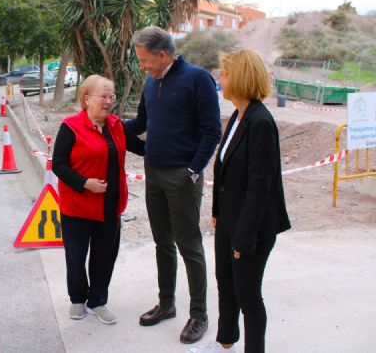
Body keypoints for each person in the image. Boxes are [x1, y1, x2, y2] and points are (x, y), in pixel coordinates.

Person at [188, 49, 291, 353]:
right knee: (226, 287)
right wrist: (218, 213)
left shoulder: (260, 122)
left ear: (239, 78)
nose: (220, 78)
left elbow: (260, 187)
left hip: (252, 228)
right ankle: (224, 344)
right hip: (230, 221)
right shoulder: (238, 114)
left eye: (224, 73)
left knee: (248, 296)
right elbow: (225, 171)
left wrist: (243, 238)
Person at [125, 26, 221, 344]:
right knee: (162, 243)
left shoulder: (197, 79)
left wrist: (193, 170)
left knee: (188, 246)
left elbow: (211, 132)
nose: (143, 66)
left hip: (182, 177)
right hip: (154, 173)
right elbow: (141, 124)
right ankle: (166, 304)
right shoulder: (151, 82)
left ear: (162, 54)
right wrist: (109, 125)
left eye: (145, 60)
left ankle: (199, 316)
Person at [52, 75, 144, 325]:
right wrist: (85, 183)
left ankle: (97, 301)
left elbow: (143, 148)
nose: (108, 101)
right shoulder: (70, 127)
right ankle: (78, 299)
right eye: (103, 96)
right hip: (78, 207)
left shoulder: (116, 126)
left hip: (110, 207)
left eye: (111, 96)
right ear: (86, 98)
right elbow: (58, 165)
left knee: (104, 257)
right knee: (76, 257)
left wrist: (177, 148)